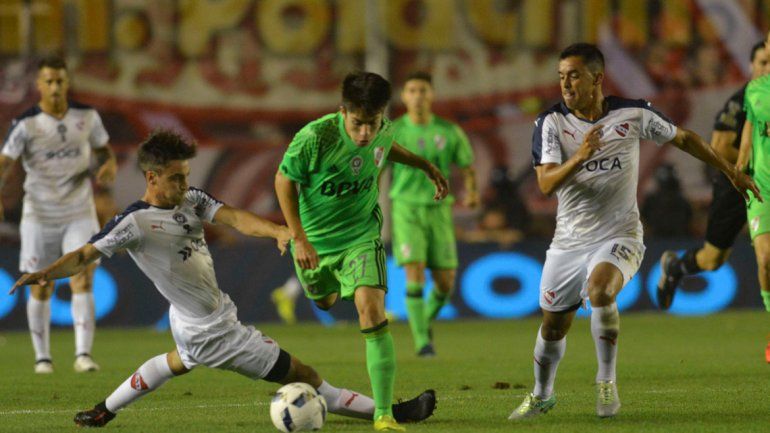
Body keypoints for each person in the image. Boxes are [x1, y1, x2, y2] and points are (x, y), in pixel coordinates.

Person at [8, 131, 436, 428]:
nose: (184, 184)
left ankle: (104, 410)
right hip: (215, 332)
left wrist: (278, 231)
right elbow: (85, 253)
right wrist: (47, 273)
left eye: (186, 175)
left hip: (193, 317)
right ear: (151, 178)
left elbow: (233, 217)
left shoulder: (191, 199)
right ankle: (394, 412)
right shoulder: (134, 223)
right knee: (306, 375)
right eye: (176, 178)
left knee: (174, 362)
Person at [509, 43, 759, 420]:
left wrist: (730, 171)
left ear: (597, 78)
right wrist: (580, 156)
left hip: (620, 234)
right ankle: (543, 394)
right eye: (561, 77)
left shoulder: (633, 114)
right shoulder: (551, 124)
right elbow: (545, 184)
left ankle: (606, 383)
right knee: (552, 326)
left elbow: (685, 138)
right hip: (568, 243)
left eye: (574, 75)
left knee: (600, 291)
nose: (566, 84)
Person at [275, 71, 448, 431]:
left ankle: (384, 413)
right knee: (323, 301)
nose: (366, 133)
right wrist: (299, 237)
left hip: (361, 236)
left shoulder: (383, 129)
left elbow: (384, 150)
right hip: (316, 243)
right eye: (358, 124)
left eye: (373, 123)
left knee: (371, 312)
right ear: (343, 111)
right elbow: (283, 180)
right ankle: (335, 285)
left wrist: (425, 165)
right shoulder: (314, 137)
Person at [0, 56, 117, 374]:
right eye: (48, 81)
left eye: (60, 80)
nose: (54, 86)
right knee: (40, 284)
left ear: (67, 83)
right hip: (39, 215)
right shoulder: (26, 123)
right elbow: (5, 161)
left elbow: (105, 151)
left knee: (83, 278)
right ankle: (42, 358)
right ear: (38, 85)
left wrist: (108, 166)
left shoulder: (87, 117)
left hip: (79, 212)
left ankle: (83, 355)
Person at [656, 41, 770, 309]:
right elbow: (719, 148)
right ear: (751, 66)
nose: (767, 67)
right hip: (736, 183)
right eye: (762, 62)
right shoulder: (741, 101)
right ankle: (676, 266)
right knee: (713, 259)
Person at [389, 71, 478, 357]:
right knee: (415, 272)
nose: (417, 96)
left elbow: (467, 167)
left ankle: (421, 322)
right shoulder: (393, 132)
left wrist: (472, 192)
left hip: (439, 210)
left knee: (445, 284)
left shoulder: (449, 131)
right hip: (406, 208)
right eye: (411, 90)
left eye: (423, 90)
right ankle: (422, 343)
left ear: (432, 95)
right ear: (404, 96)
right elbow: (376, 168)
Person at [736, 33, 770, 321]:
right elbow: (749, 129)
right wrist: (739, 167)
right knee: (766, 258)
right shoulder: (755, 89)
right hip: (763, 188)